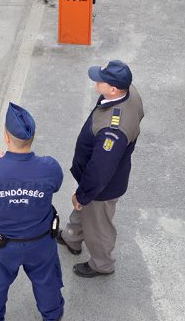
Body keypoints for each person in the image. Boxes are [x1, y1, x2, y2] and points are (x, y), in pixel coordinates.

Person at [0, 103, 64, 321]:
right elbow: (56, 185)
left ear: (6, 136)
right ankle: (52, 316)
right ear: (32, 138)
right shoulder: (50, 168)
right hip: (40, 243)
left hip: (0, 246)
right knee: (47, 282)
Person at [56, 60, 144, 278]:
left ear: (113, 89)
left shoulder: (113, 132)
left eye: (101, 80)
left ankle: (102, 264)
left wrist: (84, 194)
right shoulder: (129, 91)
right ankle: (72, 238)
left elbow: (100, 170)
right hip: (93, 180)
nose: (96, 81)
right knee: (83, 209)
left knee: (99, 226)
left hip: (101, 188)